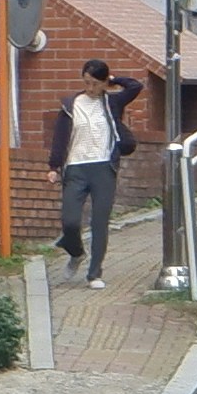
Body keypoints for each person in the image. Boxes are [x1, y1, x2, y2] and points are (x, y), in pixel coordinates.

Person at [53, 63, 135, 284]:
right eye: (87, 82)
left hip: (103, 167)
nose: (90, 88)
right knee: (70, 221)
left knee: (100, 222)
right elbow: (60, 137)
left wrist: (114, 80)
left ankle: (94, 274)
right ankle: (76, 253)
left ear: (104, 83)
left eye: (95, 84)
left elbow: (135, 86)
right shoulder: (71, 105)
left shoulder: (112, 102)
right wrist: (53, 166)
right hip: (76, 167)